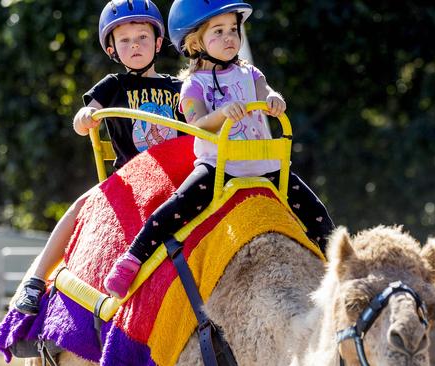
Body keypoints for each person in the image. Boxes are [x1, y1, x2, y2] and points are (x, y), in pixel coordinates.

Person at [103, 0, 335, 298]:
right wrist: (224, 112)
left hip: (265, 163)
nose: (229, 38)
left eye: (233, 30)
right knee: (176, 208)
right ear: (194, 41)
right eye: (218, 31)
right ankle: (134, 257)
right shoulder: (192, 86)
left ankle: (340, 262)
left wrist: (275, 100)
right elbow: (197, 124)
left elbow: (266, 92)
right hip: (219, 166)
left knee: (314, 210)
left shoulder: (250, 73)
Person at [13, 0, 185, 315]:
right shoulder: (113, 85)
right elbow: (88, 113)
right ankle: (36, 281)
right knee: (80, 206)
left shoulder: (180, 87)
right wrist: (84, 116)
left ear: (159, 42)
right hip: (129, 180)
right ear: (112, 50)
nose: (135, 45)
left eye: (143, 37)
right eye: (125, 40)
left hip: (175, 180)